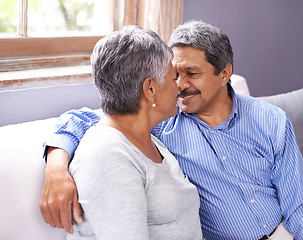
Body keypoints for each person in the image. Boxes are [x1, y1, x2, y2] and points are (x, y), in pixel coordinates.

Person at [40, 21, 303, 239]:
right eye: (175, 74)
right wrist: (56, 167)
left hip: (283, 228)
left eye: (191, 73)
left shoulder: (269, 120)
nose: (181, 84)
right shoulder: (158, 123)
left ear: (224, 73)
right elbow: (89, 119)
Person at [49, 25, 203, 239]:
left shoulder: (144, 135)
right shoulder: (108, 155)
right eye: (173, 78)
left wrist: (55, 165)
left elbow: (79, 118)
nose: (179, 86)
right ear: (150, 89)